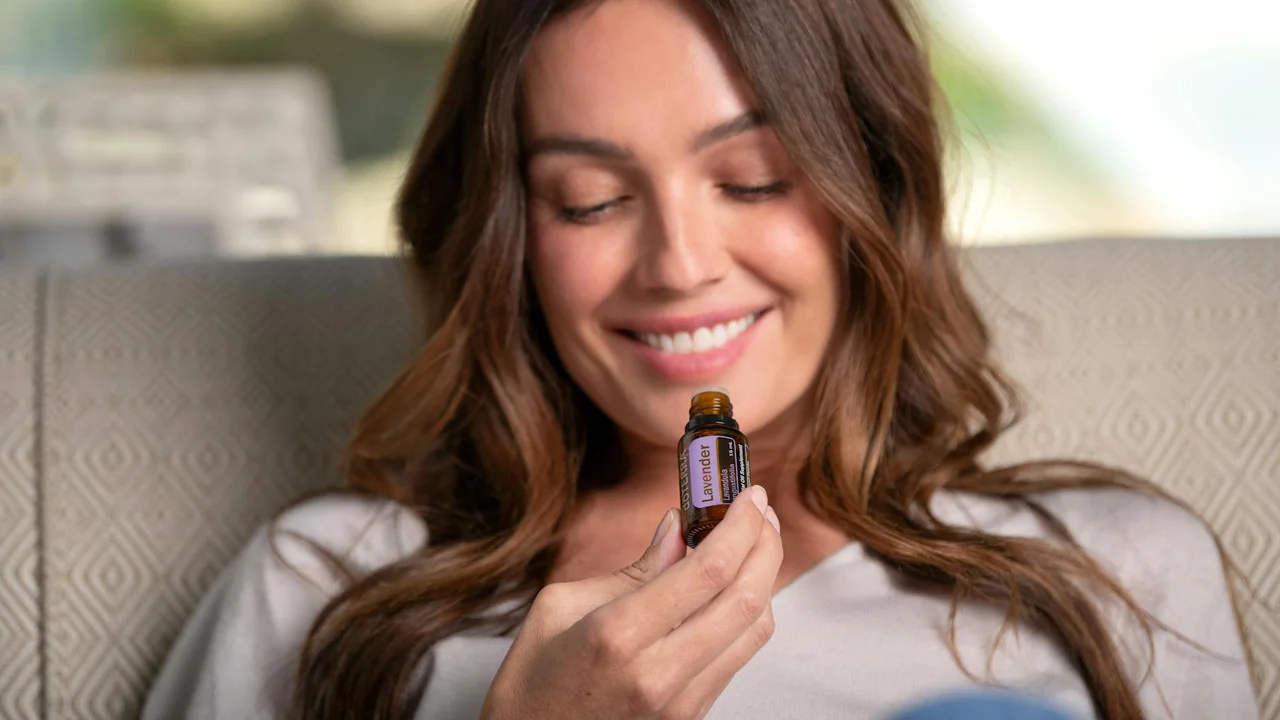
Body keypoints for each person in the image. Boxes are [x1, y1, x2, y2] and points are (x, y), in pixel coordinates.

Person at [142, 0, 1258, 718]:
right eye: (590, 200)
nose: (677, 265)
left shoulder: (1115, 577)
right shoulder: (326, 596)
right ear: (508, 239)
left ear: (868, 190)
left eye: (755, 178)